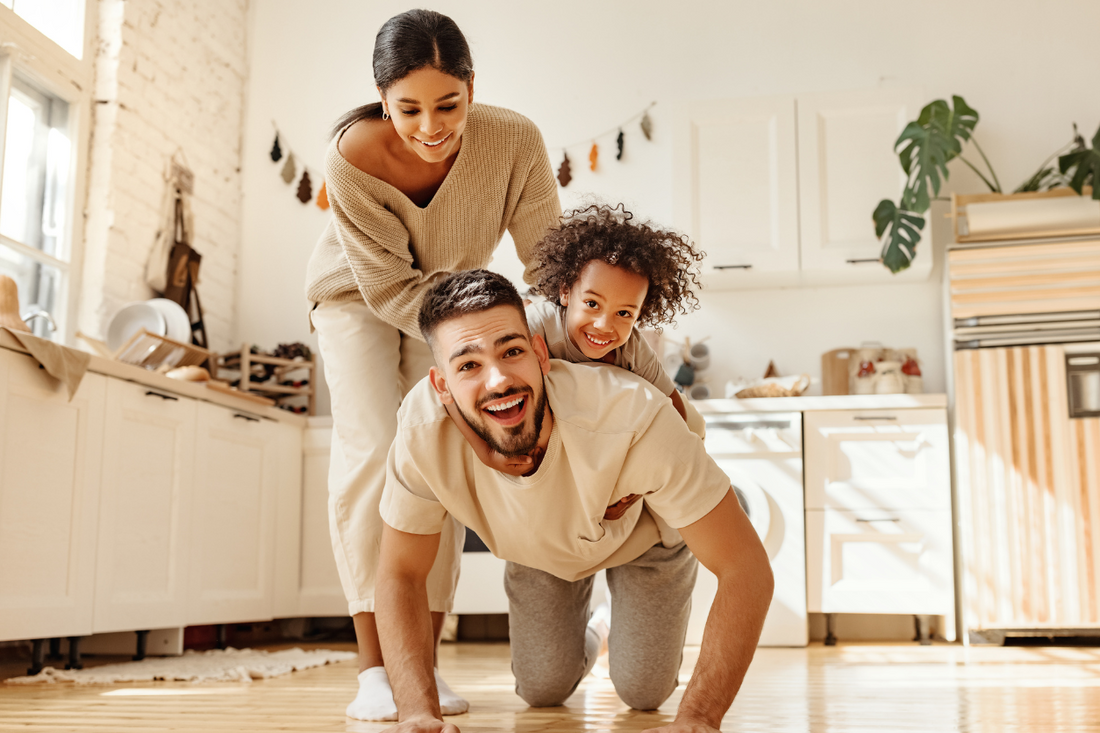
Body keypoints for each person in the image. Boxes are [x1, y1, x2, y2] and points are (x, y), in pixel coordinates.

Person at [375, 270, 775, 733]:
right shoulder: (421, 432)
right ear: (441, 386)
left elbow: (747, 569)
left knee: (643, 692)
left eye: (512, 351)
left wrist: (699, 718)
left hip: (641, 540)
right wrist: (418, 712)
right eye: (468, 365)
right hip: (538, 547)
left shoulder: (634, 417)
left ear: (540, 353)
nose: (499, 379)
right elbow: (399, 573)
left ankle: (622, 629)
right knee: (541, 689)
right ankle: (600, 630)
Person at [304, 9, 561, 721]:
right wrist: (472, 333)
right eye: (409, 108)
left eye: (448, 104)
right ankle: (374, 670)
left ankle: (422, 658)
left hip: (447, 303)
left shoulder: (515, 142)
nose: (430, 126)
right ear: (382, 98)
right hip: (355, 295)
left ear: (473, 88)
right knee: (372, 449)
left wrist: (585, 326)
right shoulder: (351, 155)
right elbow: (385, 288)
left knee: (435, 457)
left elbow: (548, 261)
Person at [452, 203, 707, 476]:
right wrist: (486, 453)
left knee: (697, 425)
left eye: (624, 313)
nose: (604, 326)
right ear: (565, 292)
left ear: (639, 314)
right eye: (592, 303)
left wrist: (642, 478)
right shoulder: (538, 325)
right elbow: (456, 389)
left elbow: (676, 414)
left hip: (598, 443)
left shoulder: (633, 348)